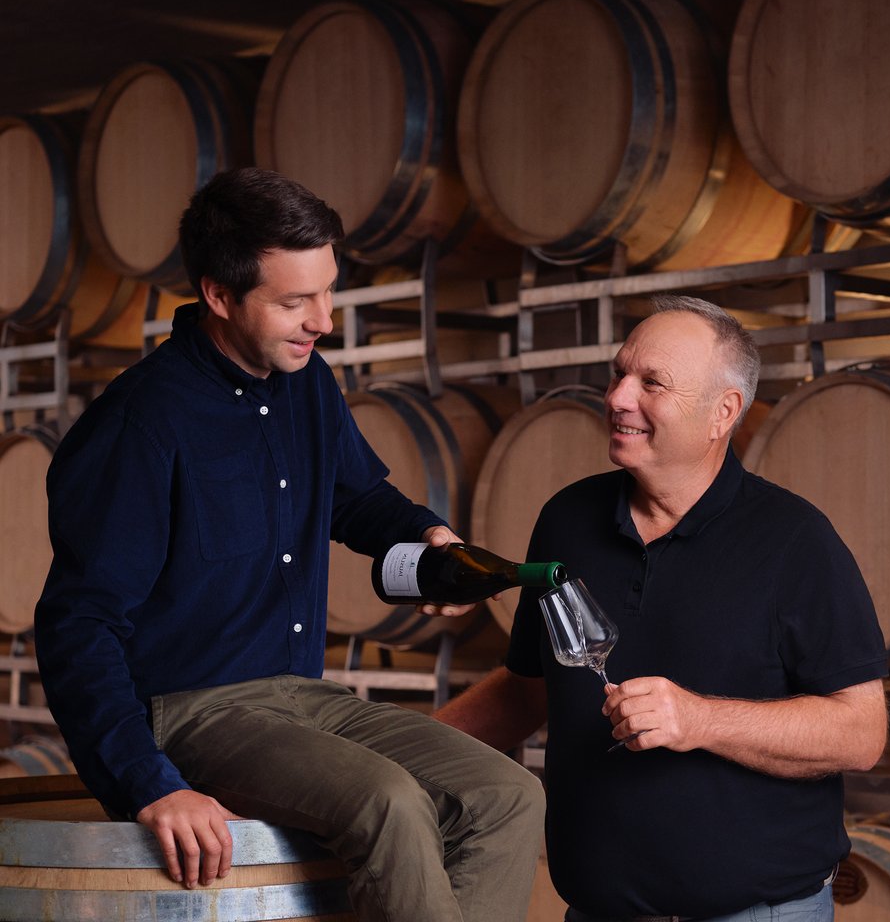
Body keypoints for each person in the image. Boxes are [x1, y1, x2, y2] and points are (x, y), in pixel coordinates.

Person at [34, 167, 544, 922]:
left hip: (305, 698)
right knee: (391, 802)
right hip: (195, 711)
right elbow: (78, 623)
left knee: (507, 793)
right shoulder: (142, 423)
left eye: (328, 290)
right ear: (218, 295)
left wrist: (425, 536)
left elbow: (357, 499)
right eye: (294, 301)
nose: (324, 320)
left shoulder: (307, 382)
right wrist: (152, 783)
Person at [438, 295, 889, 921]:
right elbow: (528, 691)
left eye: (653, 383)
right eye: (620, 373)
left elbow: (860, 733)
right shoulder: (568, 519)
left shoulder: (794, 541)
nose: (619, 397)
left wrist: (700, 720)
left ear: (722, 413)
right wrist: (395, 757)